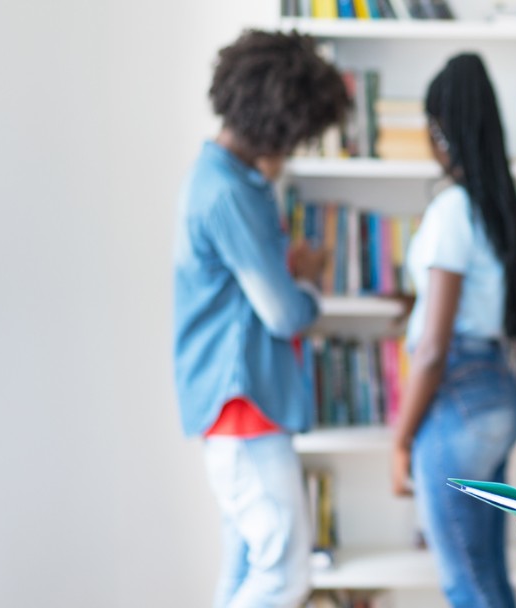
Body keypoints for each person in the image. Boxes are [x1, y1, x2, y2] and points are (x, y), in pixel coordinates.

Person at [172, 29, 350, 608]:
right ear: (282, 123)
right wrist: (308, 282)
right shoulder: (231, 192)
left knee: (245, 566)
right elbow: (282, 314)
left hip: (233, 407)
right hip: (243, 407)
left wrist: (283, 267)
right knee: (285, 576)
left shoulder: (223, 179)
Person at [388, 52, 516, 608]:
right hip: (498, 391)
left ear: (441, 130)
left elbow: (431, 351)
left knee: (465, 584)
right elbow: (481, 295)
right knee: (489, 576)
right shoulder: (507, 205)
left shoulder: (451, 209)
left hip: (456, 398)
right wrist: (419, 298)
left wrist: (400, 441)